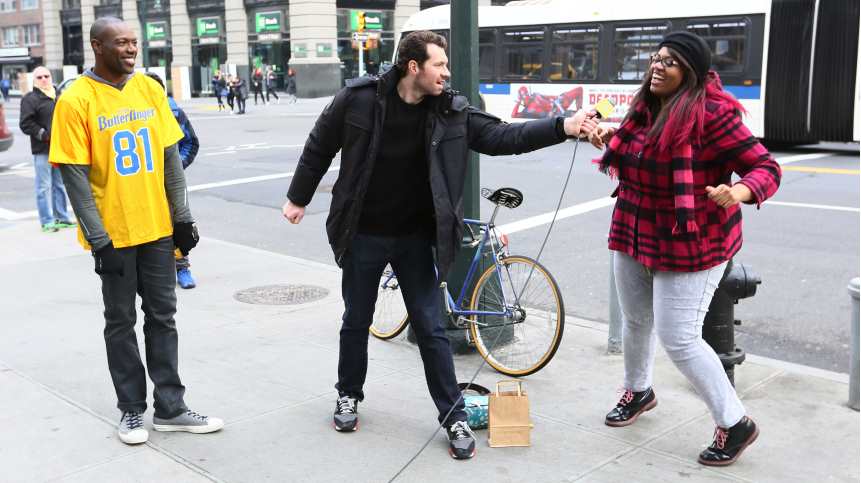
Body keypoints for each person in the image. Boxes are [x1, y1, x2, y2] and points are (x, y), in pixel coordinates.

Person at [282, 30, 598, 460]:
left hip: (415, 239)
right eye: (440, 65)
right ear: (414, 67)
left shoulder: (452, 111)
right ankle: (348, 394)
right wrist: (298, 197)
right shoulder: (357, 100)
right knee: (356, 319)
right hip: (364, 233)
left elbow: (504, 137)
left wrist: (563, 126)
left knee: (432, 328)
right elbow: (318, 146)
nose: (447, 73)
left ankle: (453, 415)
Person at [589, 31, 781, 467]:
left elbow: (765, 166)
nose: (657, 67)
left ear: (689, 73)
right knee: (635, 320)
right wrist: (609, 136)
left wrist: (742, 192)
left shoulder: (713, 115)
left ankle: (736, 423)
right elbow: (641, 147)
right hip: (634, 227)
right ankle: (638, 391)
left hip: (691, 241)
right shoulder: (644, 106)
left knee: (679, 339)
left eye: (670, 62)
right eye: (655, 59)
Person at [49, 17, 222, 445]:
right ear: (96, 47)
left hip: (157, 228)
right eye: (120, 43)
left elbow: (171, 162)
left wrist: (182, 217)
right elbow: (74, 179)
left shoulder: (149, 88)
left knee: (163, 317)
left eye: (133, 42)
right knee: (120, 322)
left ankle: (171, 408)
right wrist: (99, 239)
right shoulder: (76, 100)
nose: (130, 50)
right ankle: (131, 410)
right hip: (115, 234)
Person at [144, 71, 200, 289]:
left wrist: (178, 166)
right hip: (145, 183)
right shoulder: (133, 114)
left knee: (179, 223)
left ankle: (182, 266)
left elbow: (191, 143)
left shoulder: (173, 111)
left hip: (170, 184)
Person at [19, 66, 76, 232]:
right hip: (42, 150)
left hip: (59, 149)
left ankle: (62, 218)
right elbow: (26, 124)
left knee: (59, 185)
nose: (44, 79)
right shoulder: (30, 99)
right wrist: (43, 134)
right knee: (43, 186)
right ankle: (47, 221)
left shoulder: (59, 96)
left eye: (47, 76)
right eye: (40, 77)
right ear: (35, 81)